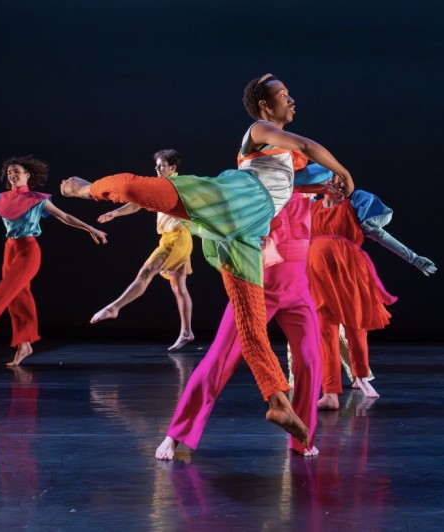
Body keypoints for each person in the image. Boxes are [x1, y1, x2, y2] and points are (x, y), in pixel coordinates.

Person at [61, 73, 354, 448]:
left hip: (249, 234)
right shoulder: (260, 130)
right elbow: (306, 146)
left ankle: (278, 402)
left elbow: (307, 174)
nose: (292, 100)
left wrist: (330, 184)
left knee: (252, 329)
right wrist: (345, 173)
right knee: (143, 189)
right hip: (235, 199)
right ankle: (87, 188)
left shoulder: (289, 176)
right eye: (284, 95)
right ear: (266, 106)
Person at [155, 190, 324, 459]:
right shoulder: (251, 191)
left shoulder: (303, 186)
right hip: (255, 290)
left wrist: (337, 180)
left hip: (297, 291)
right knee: (219, 360)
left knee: (311, 360)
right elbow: (214, 243)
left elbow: (320, 170)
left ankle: (303, 437)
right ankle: (176, 434)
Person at [0, 155, 108, 366]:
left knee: (5, 291)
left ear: (28, 175)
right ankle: (24, 344)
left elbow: (64, 217)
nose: (12, 175)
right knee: (17, 297)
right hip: (9, 249)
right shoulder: (1, 198)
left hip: (28, 250)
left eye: (17, 172)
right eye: (10, 172)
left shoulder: (38, 199)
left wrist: (90, 228)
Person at [308, 189, 436, 409]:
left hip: (349, 273)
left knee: (355, 325)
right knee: (324, 330)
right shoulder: (311, 208)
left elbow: (382, 237)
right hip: (318, 275)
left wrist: (414, 258)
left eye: (340, 180)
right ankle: (329, 393)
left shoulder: (354, 210)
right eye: (330, 179)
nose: (335, 184)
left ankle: (361, 376)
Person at [91, 149, 195, 351]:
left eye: (161, 165)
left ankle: (114, 308)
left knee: (146, 273)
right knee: (179, 288)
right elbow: (137, 204)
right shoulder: (160, 185)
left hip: (178, 238)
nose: (157, 168)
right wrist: (113, 214)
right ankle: (186, 332)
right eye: (156, 165)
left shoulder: (177, 185)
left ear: (172, 168)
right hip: (171, 238)